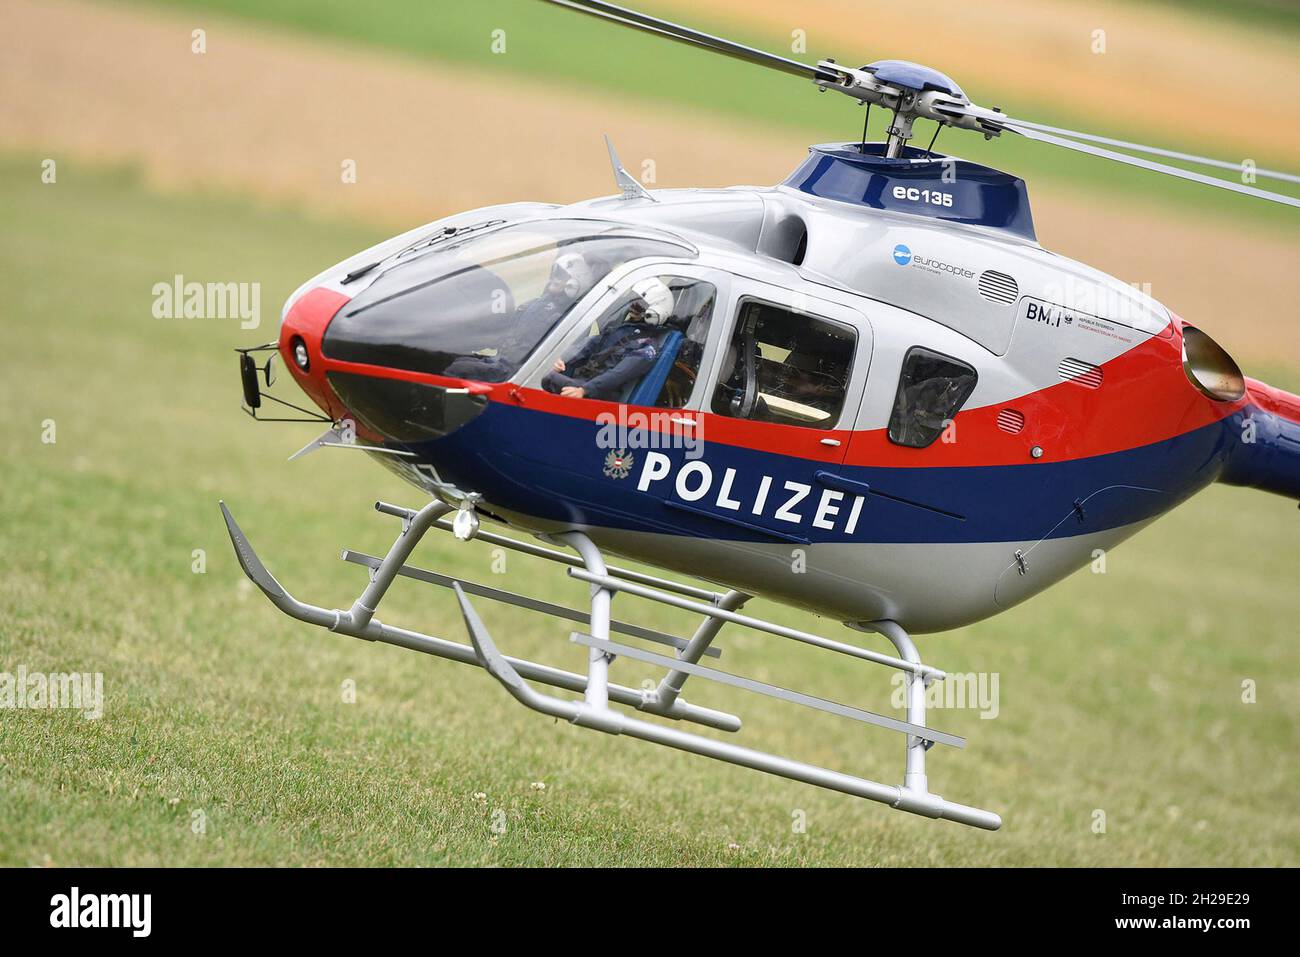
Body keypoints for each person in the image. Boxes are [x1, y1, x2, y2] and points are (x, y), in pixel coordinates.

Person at [443, 250, 593, 381]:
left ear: (575, 283)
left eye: (560, 276)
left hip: (518, 368)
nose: (553, 279)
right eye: (554, 273)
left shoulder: (570, 315)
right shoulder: (540, 302)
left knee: (458, 369)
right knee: (452, 360)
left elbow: (570, 350)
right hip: (504, 359)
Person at [543, 278, 675, 401]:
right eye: (633, 301)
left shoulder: (648, 346)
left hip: (601, 394)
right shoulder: (620, 328)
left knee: (546, 379)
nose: (632, 306)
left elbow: (620, 373)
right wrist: (562, 359)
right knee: (541, 370)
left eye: (640, 305)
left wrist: (585, 390)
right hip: (584, 381)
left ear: (656, 311)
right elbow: (587, 346)